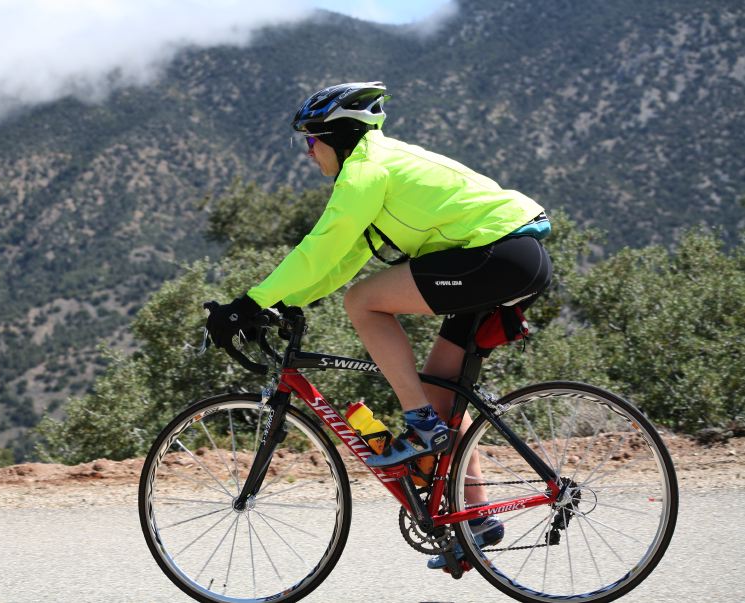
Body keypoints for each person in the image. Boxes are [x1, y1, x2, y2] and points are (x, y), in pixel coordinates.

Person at [205, 81, 552, 569]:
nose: (308, 153)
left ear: (338, 137)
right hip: (511, 257)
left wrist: (250, 302)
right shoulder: (379, 167)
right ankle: (474, 519)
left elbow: (321, 245)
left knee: (364, 303)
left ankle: (422, 428)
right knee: (441, 386)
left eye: (311, 141)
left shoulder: (365, 171)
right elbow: (344, 258)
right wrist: (283, 301)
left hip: (498, 255)